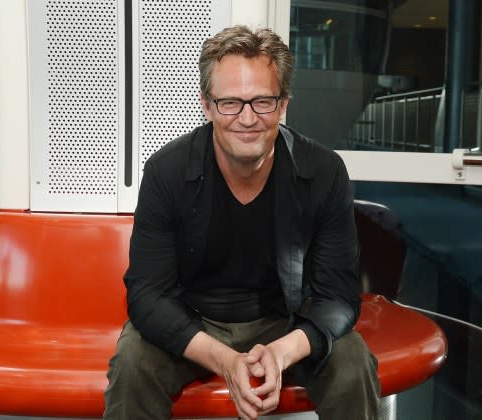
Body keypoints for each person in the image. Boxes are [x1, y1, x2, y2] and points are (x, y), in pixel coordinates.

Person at [103, 25, 380, 420]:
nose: (246, 119)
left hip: (286, 323)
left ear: (283, 105)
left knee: (352, 360)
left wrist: (283, 352)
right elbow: (147, 296)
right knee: (133, 360)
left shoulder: (324, 172)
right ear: (207, 104)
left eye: (262, 102)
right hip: (194, 324)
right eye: (230, 102)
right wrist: (225, 361)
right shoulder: (167, 172)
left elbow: (339, 296)